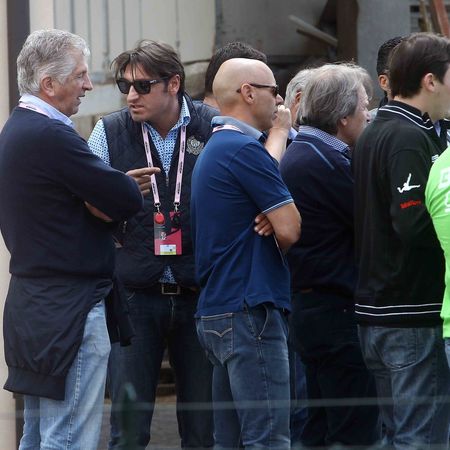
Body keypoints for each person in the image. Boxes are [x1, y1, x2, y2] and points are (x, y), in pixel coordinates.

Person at [0, 29, 147, 450]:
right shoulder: (51, 135)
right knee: (66, 440)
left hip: (35, 305)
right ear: (49, 84)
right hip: (70, 309)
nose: (88, 85)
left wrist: (101, 192)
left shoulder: (17, 130)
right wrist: (114, 187)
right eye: (80, 75)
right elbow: (123, 199)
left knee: (38, 437)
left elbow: (104, 195)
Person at [88, 40, 215, 449]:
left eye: (142, 86)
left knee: (203, 431)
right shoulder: (108, 131)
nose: (131, 95)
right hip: (134, 297)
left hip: (199, 294)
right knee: (128, 432)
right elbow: (86, 206)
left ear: (173, 84)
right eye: (124, 85)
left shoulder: (213, 127)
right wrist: (118, 191)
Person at [191, 57, 301, 449]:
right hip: (250, 309)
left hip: (220, 309)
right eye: (274, 90)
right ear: (248, 93)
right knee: (268, 438)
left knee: (231, 441)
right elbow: (290, 228)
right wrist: (277, 220)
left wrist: (274, 215)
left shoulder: (218, 148)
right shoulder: (243, 150)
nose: (280, 100)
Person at [353, 32, 450, 449]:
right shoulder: (408, 137)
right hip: (409, 311)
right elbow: (411, 224)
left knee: (399, 434)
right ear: (430, 81)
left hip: (380, 310)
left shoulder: (377, 129)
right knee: (420, 437)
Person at [279, 63, 380, 448]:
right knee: (353, 429)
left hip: (312, 309)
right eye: (363, 106)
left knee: (319, 426)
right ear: (342, 117)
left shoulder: (305, 152)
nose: (368, 115)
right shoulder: (326, 162)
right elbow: (370, 223)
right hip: (335, 313)